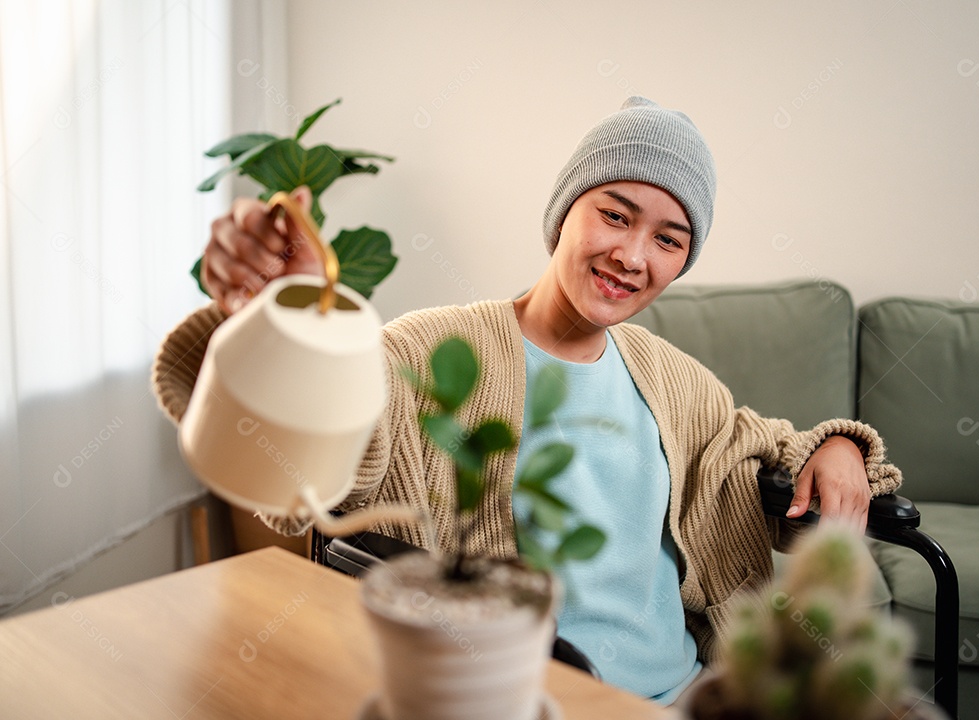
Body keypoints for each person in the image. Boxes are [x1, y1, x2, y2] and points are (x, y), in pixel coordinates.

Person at [153, 96, 901, 703]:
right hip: (526, 698)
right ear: (565, 211)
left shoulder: (675, 382)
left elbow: (762, 446)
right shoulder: (431, 353)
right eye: (614, 214)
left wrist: (837, 447)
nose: (633, 256)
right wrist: (276, 315)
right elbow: (311, 459)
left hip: (691, 696)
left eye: (669, 239)